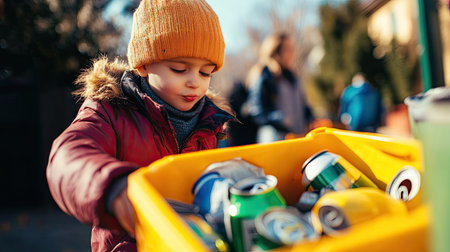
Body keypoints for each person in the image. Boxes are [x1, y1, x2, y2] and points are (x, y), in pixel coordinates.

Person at [46, 0, 234, 251]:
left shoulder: (209, 124)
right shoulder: (110, 110)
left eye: (205, 73)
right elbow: (66, 156)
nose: (194, 83)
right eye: (179, 69)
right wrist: (113, 186)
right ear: (143, 65)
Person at [246, 32, 314, 143]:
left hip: (297, 138)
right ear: (275, 52)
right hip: (274, 140)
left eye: (292, 49)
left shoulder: (294, 78)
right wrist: (279, 119)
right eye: (287, 49)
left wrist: (311, 118)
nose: (293, 53)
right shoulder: (265, 77)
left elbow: (303, 106)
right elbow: (256, 110)